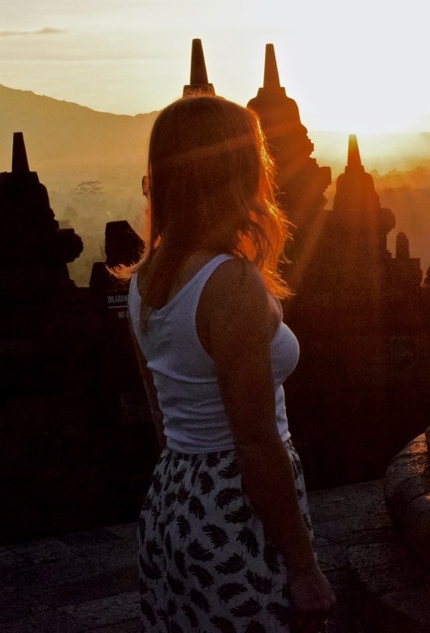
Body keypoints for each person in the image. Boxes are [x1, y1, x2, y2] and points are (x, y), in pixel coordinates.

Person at [123, 94, 336, 632]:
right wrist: (304, 565)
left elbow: (160, 408)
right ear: (236, 169)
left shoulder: (143, 280)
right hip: (235, 510)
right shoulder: (229, 284)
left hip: (173, 498)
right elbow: (255, 441)